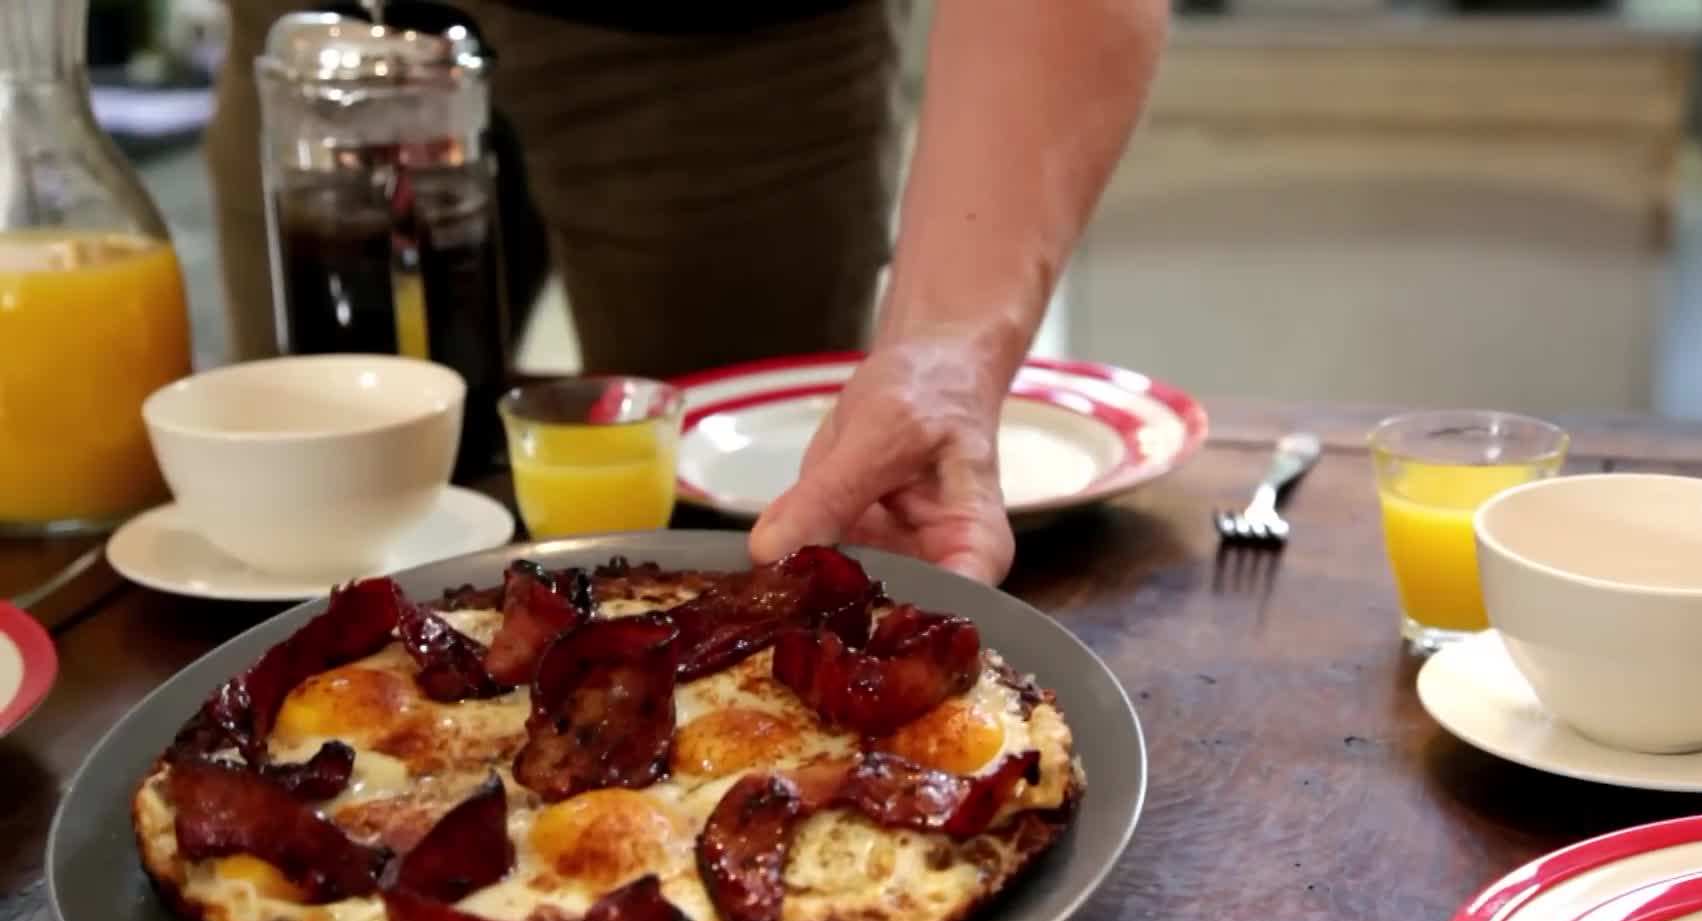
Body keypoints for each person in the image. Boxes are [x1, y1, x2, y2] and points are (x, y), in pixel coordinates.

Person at [207, 0, 1166, 584]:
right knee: (306, 520)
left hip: (718, 45)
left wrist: (946, 354)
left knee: (750, 552)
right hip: (315, 34)